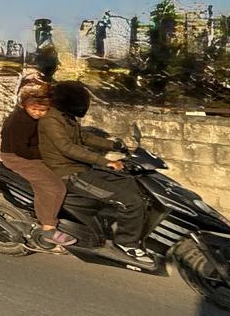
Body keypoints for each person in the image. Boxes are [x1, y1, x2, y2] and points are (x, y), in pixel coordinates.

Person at [39, 81, 150, 264]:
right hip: (68, 174)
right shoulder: (51, 120)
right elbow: (67, 148)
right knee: (130, 201)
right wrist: (106, 161)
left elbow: (83, 137)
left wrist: (114, 145)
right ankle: (126, 243)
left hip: (82, 168)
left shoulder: (67, 117)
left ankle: (125, 228)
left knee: (132, 184)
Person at [0, 88, 76, 252]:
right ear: (25, 106)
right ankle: (48, 228)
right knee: (54, 187)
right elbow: (21, 150)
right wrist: (45, 155)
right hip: (17, 158)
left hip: (31, 155)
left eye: (42, 110)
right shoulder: (20, 121)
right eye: (34, 109)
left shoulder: (39, 118)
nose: (38, 113)